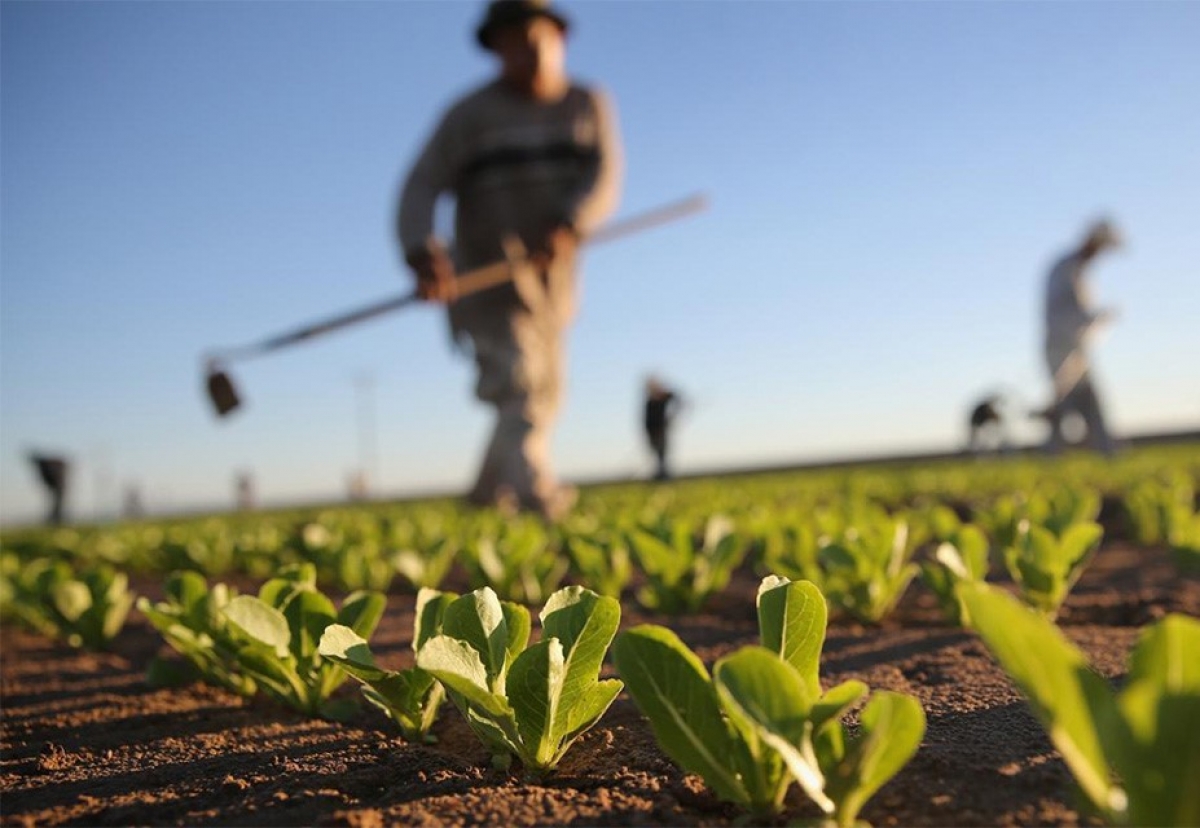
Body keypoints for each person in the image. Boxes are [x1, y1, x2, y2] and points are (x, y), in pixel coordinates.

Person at [396, 0, 623, 520]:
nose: (528, 52)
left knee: (545, 390)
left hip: (553, 282)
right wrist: (419, 248)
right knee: (518, 382)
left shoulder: (587, 104)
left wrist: (571, 221)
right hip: (485, 277)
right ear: (496, 49)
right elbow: (421, 184)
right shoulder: (468, 117)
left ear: (559, 38)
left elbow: (603, 177)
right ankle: (537, 496)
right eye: (513, 42)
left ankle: (483, 495)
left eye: (537, 37)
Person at [1038, 219, 1122, 455]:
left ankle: (1108, 455)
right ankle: (1051, 459)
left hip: (1077, 350)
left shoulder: (1078, 270)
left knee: (1091, 404)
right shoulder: (1066, 269)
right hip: (1061, 349)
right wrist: (1097, 317)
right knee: (1063, 406)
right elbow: (1064, 313)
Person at [643, 376, 683, 481]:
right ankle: (660, 474)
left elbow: (677, 398)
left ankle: (664, 476)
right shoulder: (649, 402)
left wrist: (672, 416)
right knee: (657, 455)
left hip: (661, 431)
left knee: (663, 454)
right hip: (652, 433)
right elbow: (647, 421)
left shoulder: (663, 397)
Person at [28, 453, 69, 526]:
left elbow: (51, 477)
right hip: (58, 484)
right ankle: (56, 519)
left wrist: (54, 485)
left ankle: (57, 519)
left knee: (58, 503)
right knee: (57, 502)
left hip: (59, 484)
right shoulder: (45, 464)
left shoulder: (45, 465)